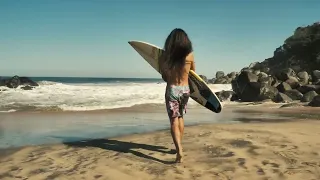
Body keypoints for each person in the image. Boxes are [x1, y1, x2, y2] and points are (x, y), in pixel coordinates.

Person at [158, 28, 195, 163]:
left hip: (172, 90)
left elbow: (164, 76)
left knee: (173, 120)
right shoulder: (190, 56)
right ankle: (180, 146)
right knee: (180, 117)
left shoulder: (165, 57)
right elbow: (193, 73)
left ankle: (178, 151)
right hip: (185, 90)